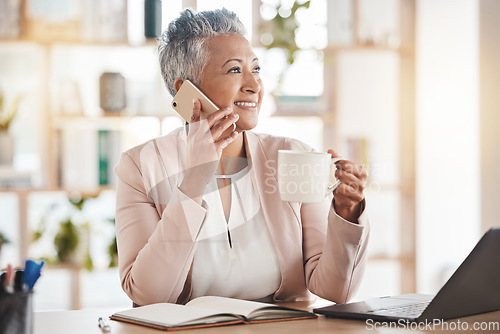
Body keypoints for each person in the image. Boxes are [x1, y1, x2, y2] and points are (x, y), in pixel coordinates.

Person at [114, 8, 369, 307]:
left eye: (256, 69)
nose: (254, 85)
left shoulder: (293, 155)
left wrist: (347, 212)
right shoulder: (139, 166)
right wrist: (195, 179)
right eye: (235, 70)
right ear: (186, 90)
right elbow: (149, 296)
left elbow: (336, 291)